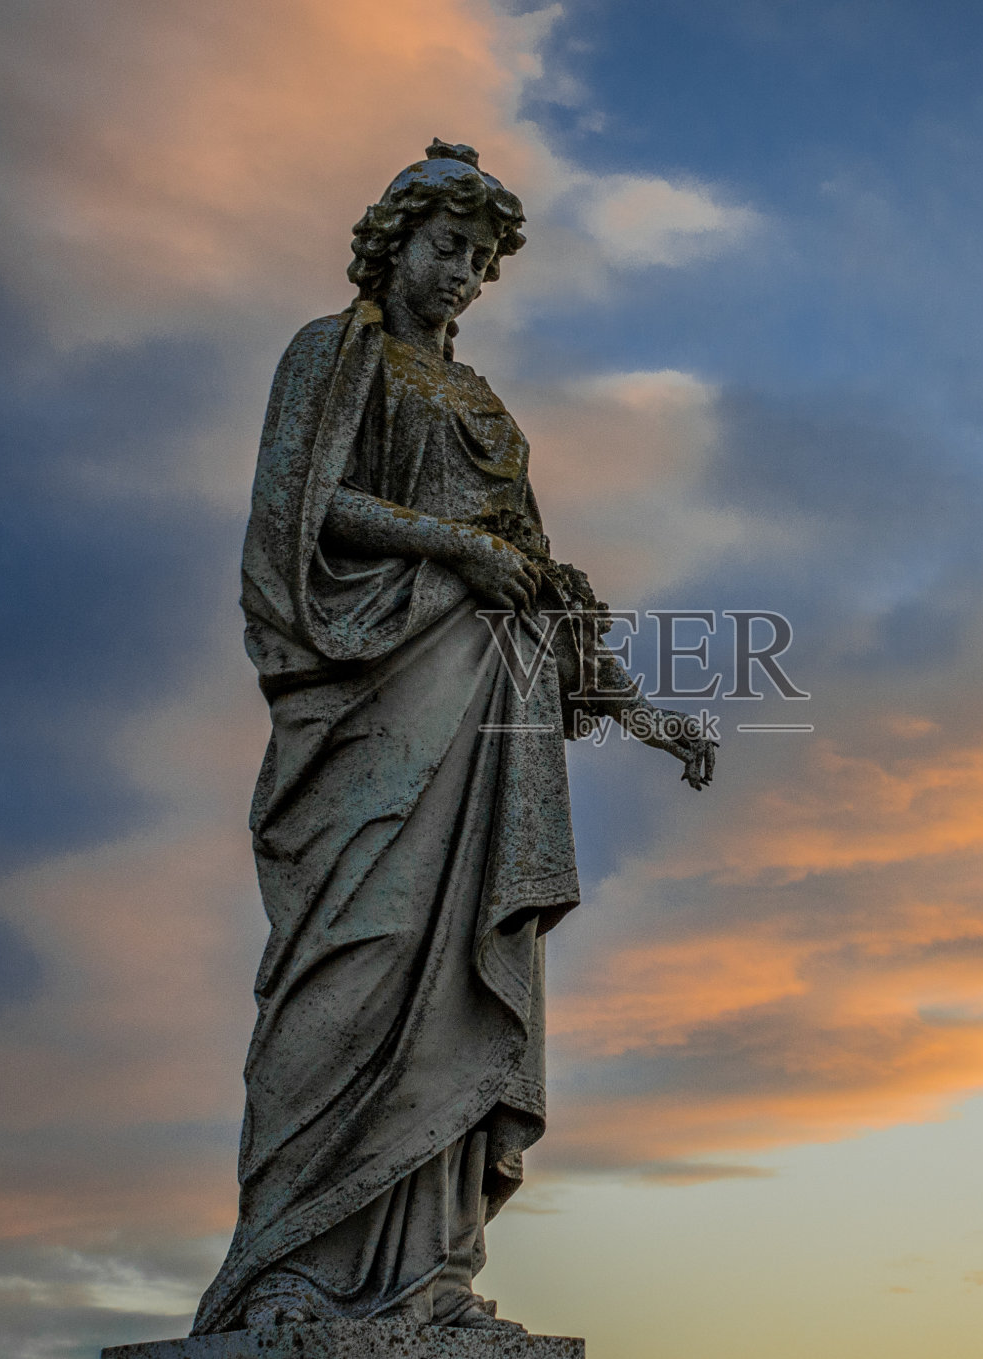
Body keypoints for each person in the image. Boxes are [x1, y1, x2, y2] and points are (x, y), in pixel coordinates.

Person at [191, 140, 714, 1335]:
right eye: (447, 250)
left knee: (456, 999)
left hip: (490, 717)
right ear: (393, 243)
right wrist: (449, 547)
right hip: (377, 698)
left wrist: (641, 708)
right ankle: (287, 1270)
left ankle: (428, 1278)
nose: (464, 278)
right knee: (357, 957)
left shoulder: (484, 406)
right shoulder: (334, 355)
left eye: (481, 264)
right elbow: (299, 505)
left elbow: (543, 583)